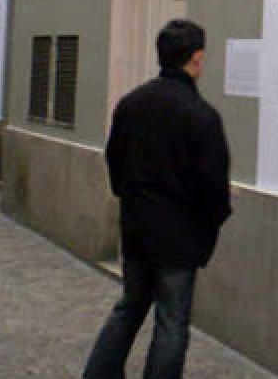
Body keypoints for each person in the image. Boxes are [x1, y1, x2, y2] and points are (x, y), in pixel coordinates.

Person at [84, 19, 231, 379]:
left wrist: (131, 199)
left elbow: (114, 160)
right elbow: (213, 186)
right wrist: (208, 224)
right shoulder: (202, 116)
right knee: (172, 320)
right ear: (196, 58)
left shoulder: (131, 104)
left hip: (137, 229)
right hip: (179, 238)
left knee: (130, 307)